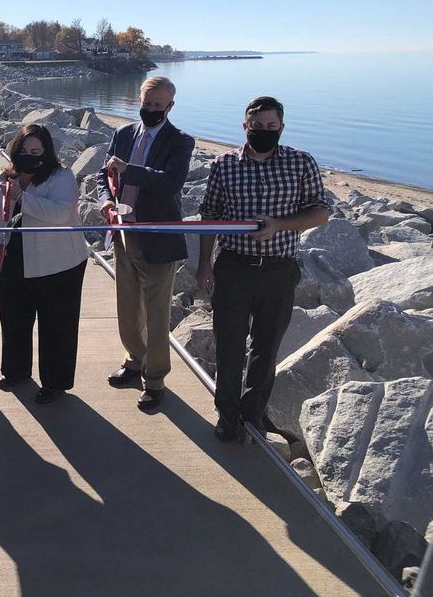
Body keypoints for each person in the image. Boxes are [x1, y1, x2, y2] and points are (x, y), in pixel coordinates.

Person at [196, 96, 329, 442]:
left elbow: (320, 212)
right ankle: (227, 415)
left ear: (281, 127)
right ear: (245, 127)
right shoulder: (224, 165)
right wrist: (203, 266)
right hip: (234, 268)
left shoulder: (301, 163)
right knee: (229, 345)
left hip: (278, 270)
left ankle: (253, 413)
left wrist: (279, 225)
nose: (264, 132)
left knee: (267, 347)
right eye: (257, 127)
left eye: (271, 127)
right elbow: (209, 216)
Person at [97, 76, 194, 411]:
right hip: (124, 232)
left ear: (170, 106)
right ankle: (134, 360)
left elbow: (171, 182)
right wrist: (106, 202)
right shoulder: (123, 133)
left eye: (158, 105)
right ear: (139, 99)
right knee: (127, 304)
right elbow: (103, 174)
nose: (151, 110)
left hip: (158, 237)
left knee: (155, 312)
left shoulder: (180, 141)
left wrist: (130, 170)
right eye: (146, 103)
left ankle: (155, 380)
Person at [0, 124, 89, 404]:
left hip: (59, 265)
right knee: (13, 319)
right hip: (13, 260)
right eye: (24, 150)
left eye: (36, 151)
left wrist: (23, 198)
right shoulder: (1, 179)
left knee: (57, 326)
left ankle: (54, 382)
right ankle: (15, 370)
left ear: (46, 153)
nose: (29, 155)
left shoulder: (61, 177)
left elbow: (62, 213)